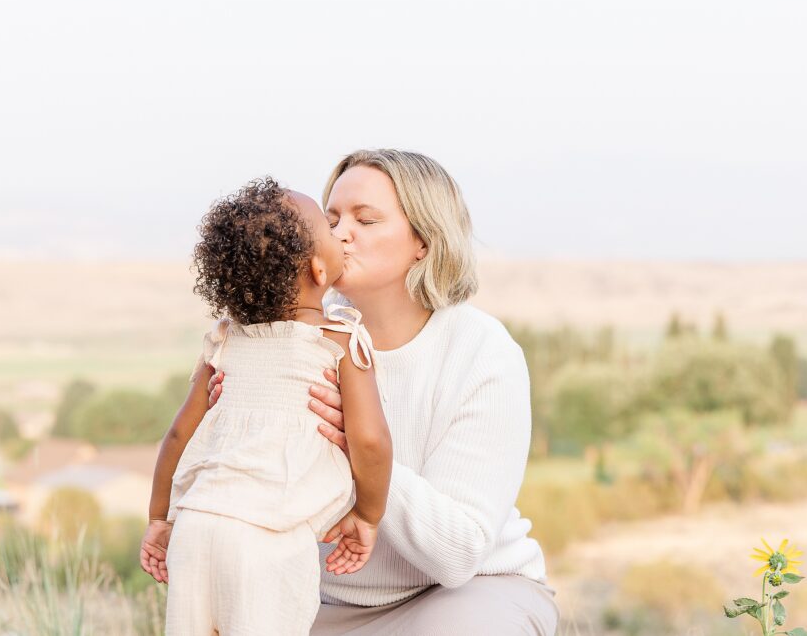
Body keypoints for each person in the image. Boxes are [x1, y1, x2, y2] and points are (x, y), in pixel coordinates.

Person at [207, 150, 559, 635]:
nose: (341, 233)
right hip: (321, 601)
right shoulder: (285, 342)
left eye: (366, 219)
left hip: (470, 593)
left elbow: (457, 554)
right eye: (330, 219)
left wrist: (362, 446)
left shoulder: (482, 350)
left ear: (424, 240)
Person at [141, 178, 393, 636]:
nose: (340, 234)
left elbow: (178, 435)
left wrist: (160, 518)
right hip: (268, 539)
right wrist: (367, 515)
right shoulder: (340, 339)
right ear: (319, 269)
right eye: (327, 225)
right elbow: (370, 440)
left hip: (196, 527)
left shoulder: (224, 340)